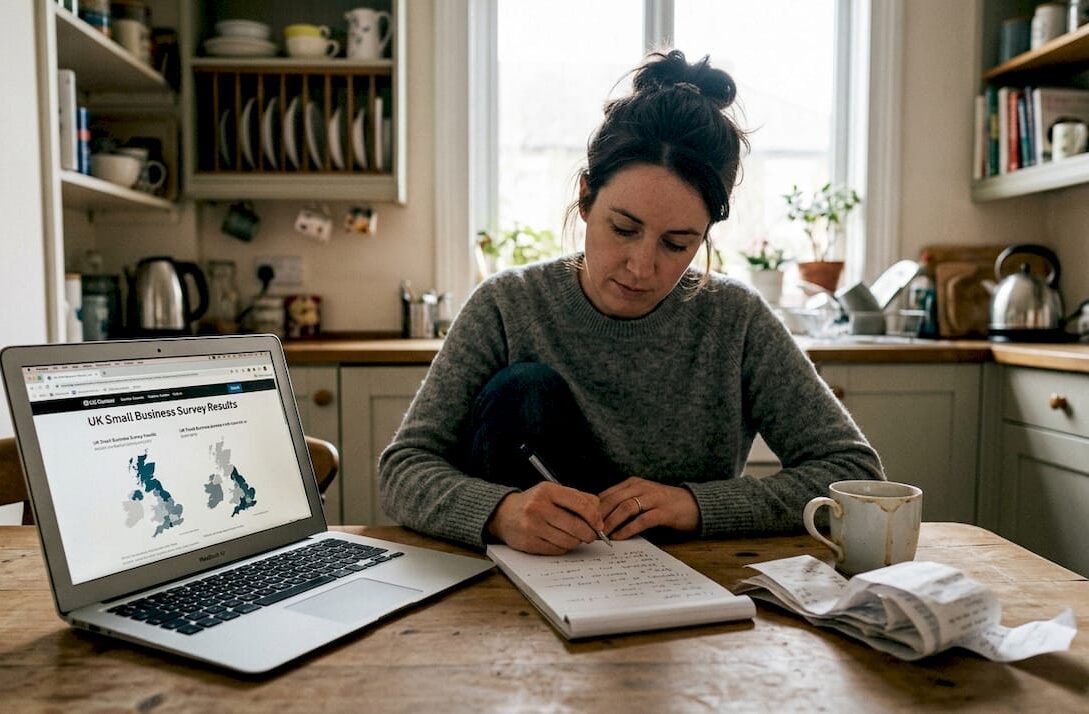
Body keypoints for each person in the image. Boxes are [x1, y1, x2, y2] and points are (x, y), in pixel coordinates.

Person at [380, 49, 883, 555]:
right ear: (584, 199)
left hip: (685, 588)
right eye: (623, 229)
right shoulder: (507, 305)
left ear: (706, 234)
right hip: (513, 590)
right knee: (526, 388)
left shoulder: (736, 320)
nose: (642, 267)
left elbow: (854, 473)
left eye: (677, 243)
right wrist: (499, 512)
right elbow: (404, 469)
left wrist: (696, 505)